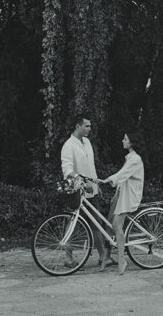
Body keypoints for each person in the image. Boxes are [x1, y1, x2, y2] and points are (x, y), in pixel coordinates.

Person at [60, 115, 109, 268]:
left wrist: (95, 184)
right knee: (73, 224)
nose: (89, 129)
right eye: (87, 126)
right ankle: (68, 259)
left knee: (97, 223)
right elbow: (67, 169)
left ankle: (103, 257)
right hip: (78, 192)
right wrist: (80, 181)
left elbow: (90, 166)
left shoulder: (87, 142)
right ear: (77, 126)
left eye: (90, 126)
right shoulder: (68, 145)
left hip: (91, 191)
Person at [100, 132, 144, 276]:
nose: (122, 140)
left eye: (125, 139)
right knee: (109, 224)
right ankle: (106, 257)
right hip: (121, 194)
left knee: (116, 226)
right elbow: (123, 176)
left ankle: (121, 260)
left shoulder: (135, 159)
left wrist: (108, 179)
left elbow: (123, 174)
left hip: (129, 196)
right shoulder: (130, 157)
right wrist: (115, 192)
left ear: (132, 142)